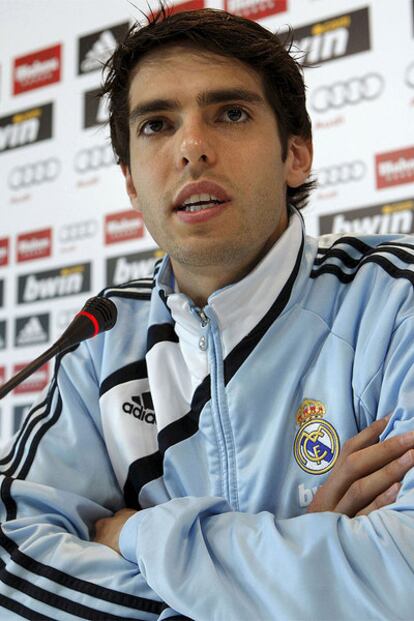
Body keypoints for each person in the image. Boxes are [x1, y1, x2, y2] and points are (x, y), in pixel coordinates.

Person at [1, 5, 414, 620]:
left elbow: (403, 572)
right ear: (132, 184)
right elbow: (14, 563)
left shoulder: (392, 300)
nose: (192, 147)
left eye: (231, 113)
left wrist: (135, 534)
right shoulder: (101, 339)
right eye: (157, 125)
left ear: (295, 153)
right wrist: (305, 562)